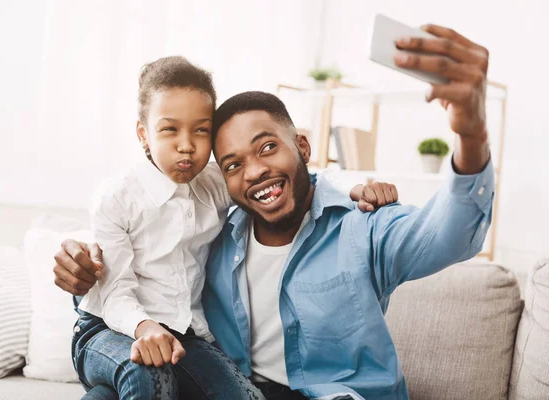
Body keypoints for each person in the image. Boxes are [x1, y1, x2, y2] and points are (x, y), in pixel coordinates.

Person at [55, 24, 493, 400]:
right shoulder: (220, 230)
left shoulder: (363, 228)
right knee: (125, 384)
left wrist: (471, 133)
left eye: (267, 147)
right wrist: (83, 268)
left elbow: (453, 233)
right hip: (205, 370)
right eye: (233, 165)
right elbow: (138, 260)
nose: (256, 172)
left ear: (302, 146)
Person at [67, 56, 398, 400]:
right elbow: (114, 292)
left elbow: (279, 179)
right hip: (110, 329)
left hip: (184, 334)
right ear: (143, 134)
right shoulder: (116, 198)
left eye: (200, 130)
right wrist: (143, 327)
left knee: (242, 394)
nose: (186, 144)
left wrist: (350, 192)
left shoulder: (215, 183)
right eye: (170, 129)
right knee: (147, 374)